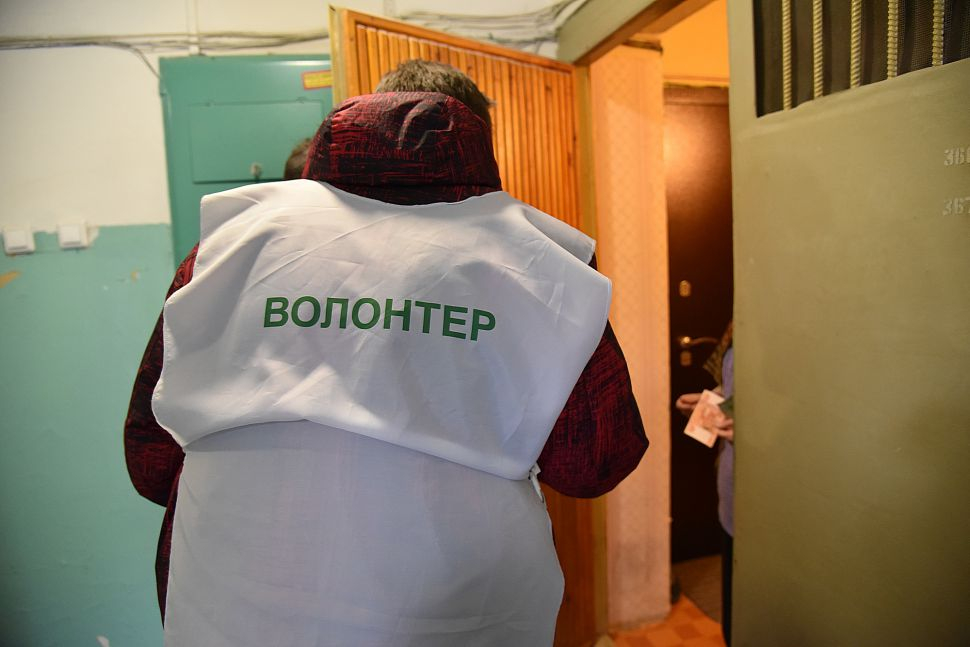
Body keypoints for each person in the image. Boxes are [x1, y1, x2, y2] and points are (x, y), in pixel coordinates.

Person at [125, 60, 647, 646]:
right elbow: (594, 463)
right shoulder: (543, 263)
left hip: (233, 602)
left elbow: (150, 463)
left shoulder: (228, 245)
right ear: (476, 143)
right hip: (451, 611)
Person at [675, 322, 734, 645]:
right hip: (731, 496)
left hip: (761, 507)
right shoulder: (735, 328)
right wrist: (706, 408)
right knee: (733, 621)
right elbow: (734, 393)